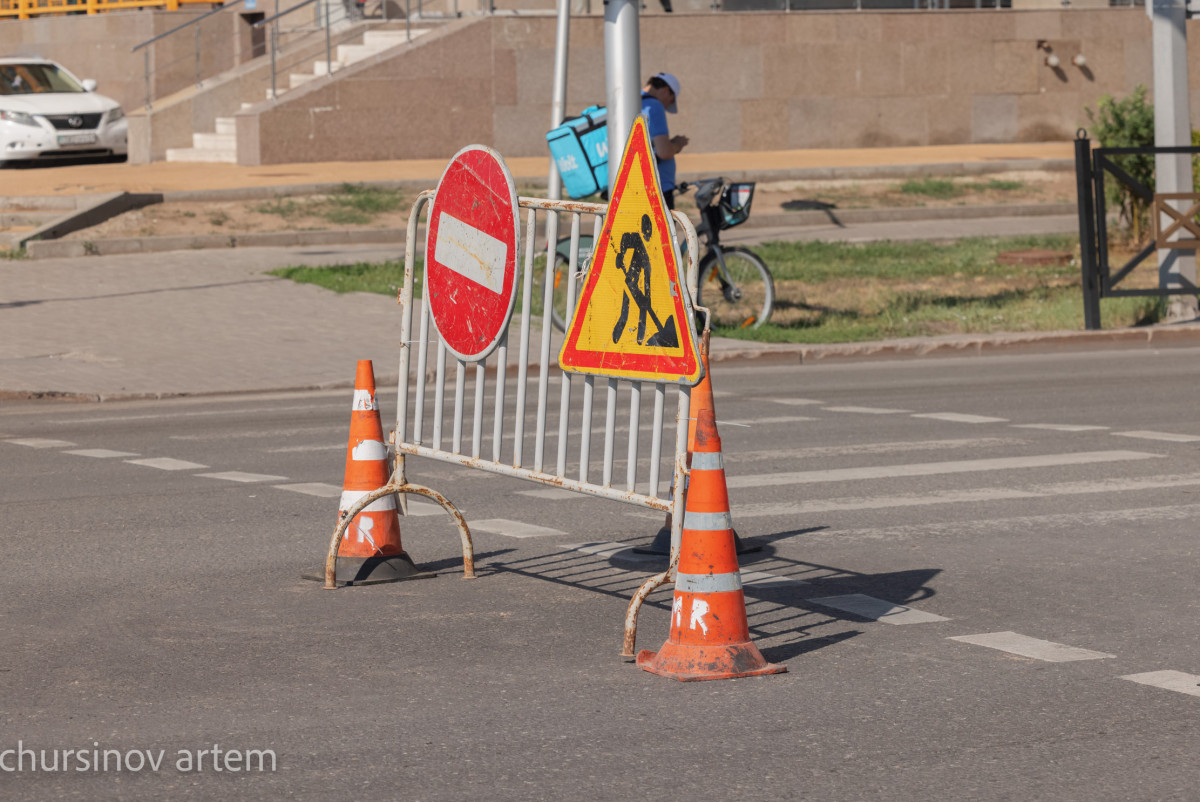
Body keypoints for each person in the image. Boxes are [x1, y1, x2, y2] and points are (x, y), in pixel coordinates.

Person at [641, 73, 689, 210]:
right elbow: (664, 152)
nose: (668, 105)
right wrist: (678, 144)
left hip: (639, 187)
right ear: (666, 90)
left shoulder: (632, 101)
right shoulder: (654, 105)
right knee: (664, 232)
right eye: (671, 100)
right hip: (657, 189)